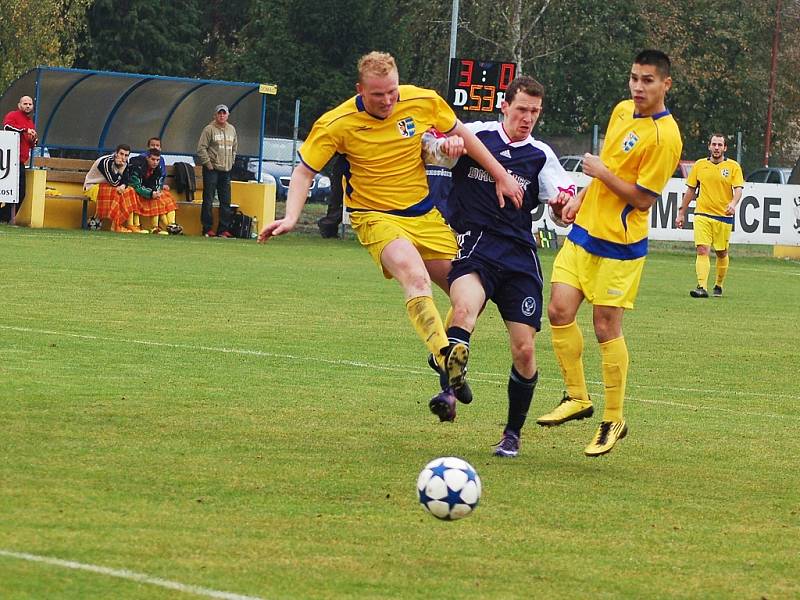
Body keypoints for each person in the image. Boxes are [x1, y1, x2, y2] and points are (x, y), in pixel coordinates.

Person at [258, 51, 523, 419]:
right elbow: (304, 173)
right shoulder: (337, 123)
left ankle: (440, 358)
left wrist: (500, 174)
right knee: (414, 277)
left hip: (425, 216)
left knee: (469, 296)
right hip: (376, 217)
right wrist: (290, 217)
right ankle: (445, 354)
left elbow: (461, 134)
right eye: (378, 94)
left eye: (392, 92)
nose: (388, 101)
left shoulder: (423, 100)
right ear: (360, 90)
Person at [536, 49, 683, 457]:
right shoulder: (621, 111)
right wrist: (580, 198)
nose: (638, 86)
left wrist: (599, 173)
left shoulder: (665, 137)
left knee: (605, 327)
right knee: (558, 311)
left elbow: (641, 199)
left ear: (665, 84)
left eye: (648, 80)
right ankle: (578, 397)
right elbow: (607, 170)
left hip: (619, 246)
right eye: (634, 77)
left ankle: (613, 418)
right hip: (584, 234)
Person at [425, 75, 576, 456]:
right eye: (522, 109)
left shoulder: (541, 155)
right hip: (474, 247)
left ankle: (512, 433)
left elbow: (562, 205)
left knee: (524, 351)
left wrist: (562, 211)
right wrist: (446, 144)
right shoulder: (476, 135)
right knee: (463, 309)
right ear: (504, 105)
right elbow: (432, 146)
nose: (528, 118)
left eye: (535, 112)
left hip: (518, 257)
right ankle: (449, 393)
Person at [675, 134, 743, 298]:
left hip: (723, 217)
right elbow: (690, 190)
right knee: (702, 249)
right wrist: (681, 212)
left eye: (720, 145)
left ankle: (718, 285)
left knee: (721, 252)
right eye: (714, 144)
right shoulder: (699, 165)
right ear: (709, 146)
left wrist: (733, 204)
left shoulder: (733, 167)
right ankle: (701, 287)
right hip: (702, 214)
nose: (717, 148)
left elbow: (738, 189)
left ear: (725, 148)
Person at [197, 104, 237, 238]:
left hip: (226, 170)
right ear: (215, 115)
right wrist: (208, 164)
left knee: (226, 200)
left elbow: (235, 148)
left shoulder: (232, 129)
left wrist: (231, 161)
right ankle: (207, 228)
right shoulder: (209, 129)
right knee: (208, 199)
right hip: (212, 169)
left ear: (227, 115)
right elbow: (201, 148)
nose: (222, 115)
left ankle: (223, 229)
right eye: (219, 113)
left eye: (224, 113)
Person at [83, 144, 139, 233]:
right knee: (116, 192)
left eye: (126, 155)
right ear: (116, 153)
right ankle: (115, 226)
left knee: (130, 190)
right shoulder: (105, 161)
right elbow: (114, 182)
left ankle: (130, 224)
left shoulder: (125, 163)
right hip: (92, 186)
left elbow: (126, 179)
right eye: (121, 154)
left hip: (108, 187)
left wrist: (123, 186)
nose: (123, 158)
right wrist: (121, 170)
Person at [128, 148, 181, 235]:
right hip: (136, 193)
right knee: (133, 194)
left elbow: (158, 185)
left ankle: (170, 225)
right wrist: (150, 193)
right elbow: (136, 186)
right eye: (153, 159)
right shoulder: (137, 167)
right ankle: (137, 226)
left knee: (165, 196)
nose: (155, 162)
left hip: (148, 193)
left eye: (157, 160)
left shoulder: (158, 169)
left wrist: (156, 192)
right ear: (147, 158)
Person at [1, 95, 38, 223]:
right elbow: (7, 128)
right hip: (8, 160)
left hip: (20, 162)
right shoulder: (13, 115)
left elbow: (31, 144)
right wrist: (24, 130)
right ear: (19, 105)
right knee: (6, 191)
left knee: (20, 193)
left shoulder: (30, 122)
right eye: (25, 103)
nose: (27, 106)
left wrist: (33, 139)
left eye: (30, 104)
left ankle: (4, 218)